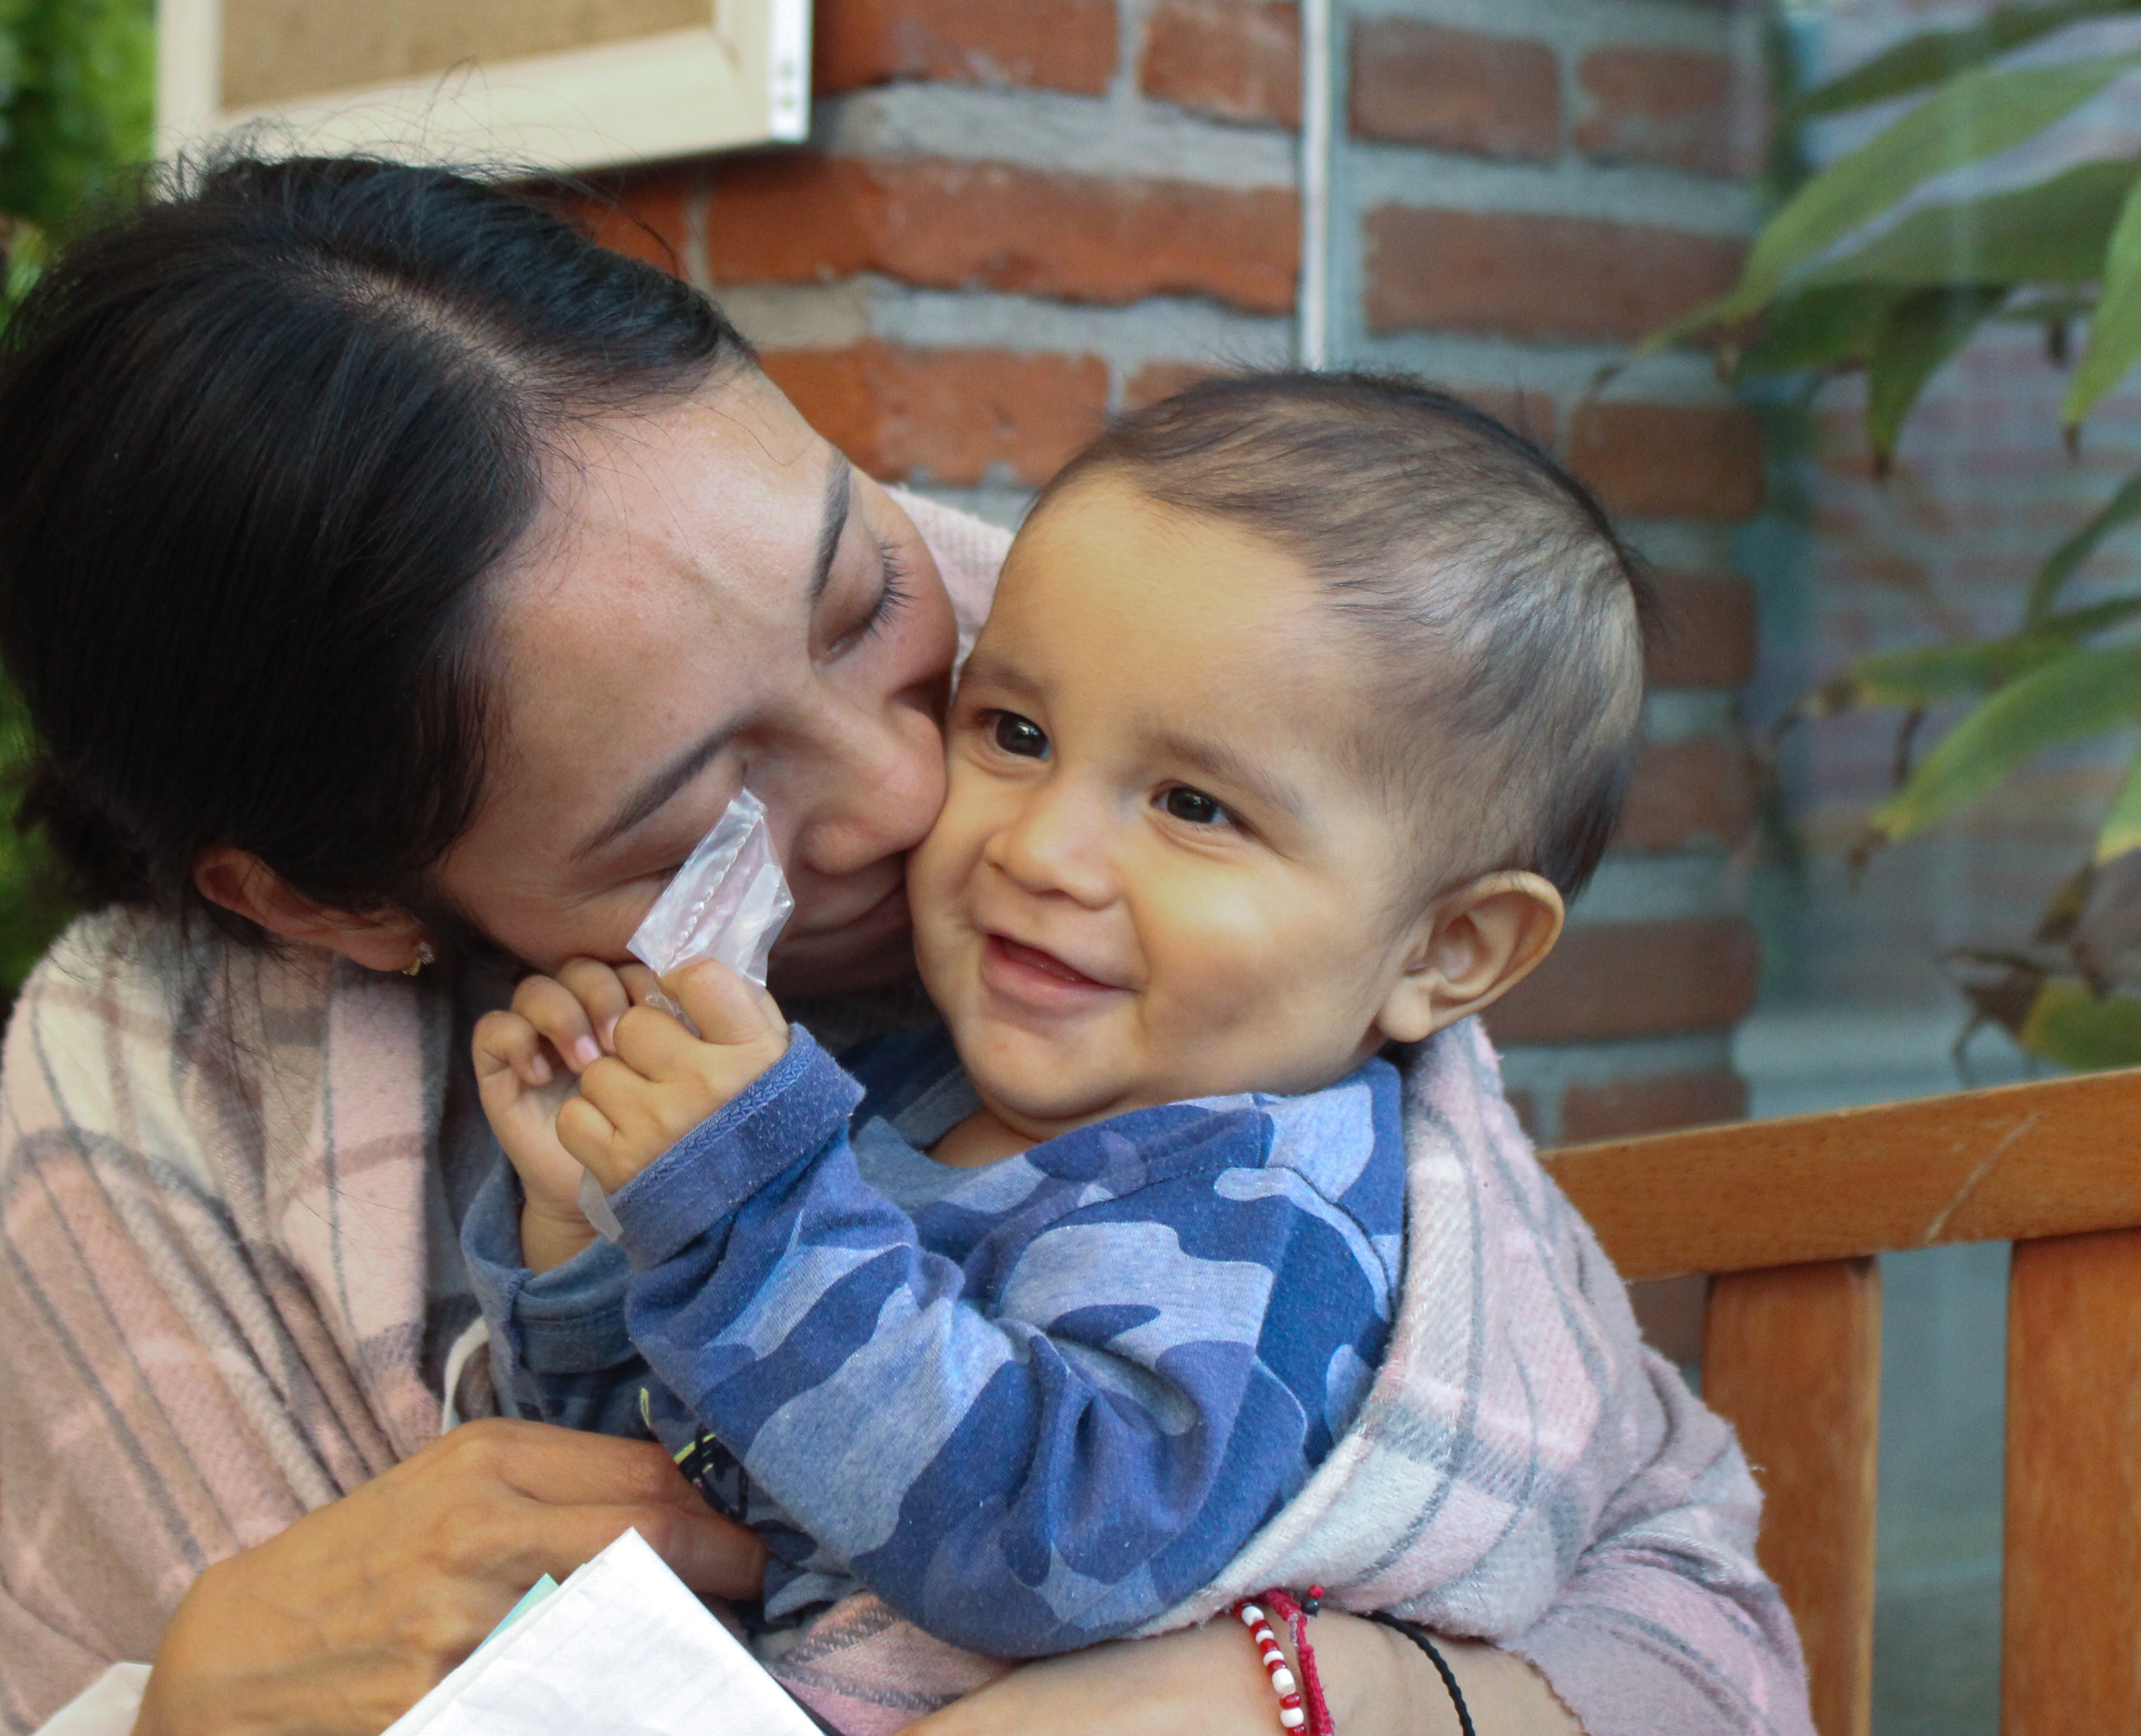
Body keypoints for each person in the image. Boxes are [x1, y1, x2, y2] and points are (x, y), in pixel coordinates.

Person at [0, 153, 1814, 1736]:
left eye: (859, 602)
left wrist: (1332, 1690)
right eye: (696, 795)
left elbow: (1656, 1576)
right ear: (322, 901)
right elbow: (695, 1473)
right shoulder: (159, 1080)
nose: (922, 790)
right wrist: (190, 1689)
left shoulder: (1186, 709)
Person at [464, 373, 1652, 1727]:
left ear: (1448, 949)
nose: (1036, 848)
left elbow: (1047, 1548)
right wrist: (593, 1234)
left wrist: (748, 1209)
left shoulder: (1268, 1221)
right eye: (1016, 735)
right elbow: (684, 1487)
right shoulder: (902, 1098)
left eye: (1194, 806)